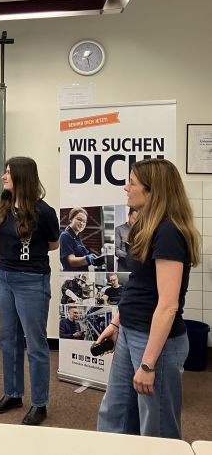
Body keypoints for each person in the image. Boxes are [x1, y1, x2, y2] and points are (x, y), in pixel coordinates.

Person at [96, 159, 199, 439]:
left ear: (153, 190)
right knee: (115, 416)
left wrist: (148, 363)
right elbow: (138, 284)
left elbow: (168, 305)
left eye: (132, 182)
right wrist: (117, 324)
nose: (125, 187)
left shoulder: (169, 233)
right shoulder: (146, 226)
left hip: (155, 343)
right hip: (131, 332)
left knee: (157, 431)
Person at [0, 156, 59, 426]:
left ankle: (39, 403)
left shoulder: (44, 212)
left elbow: (53, 244)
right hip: (3, 277)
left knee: (36, 344)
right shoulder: (4, 206)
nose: (4, 176)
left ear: (22, 177)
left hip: (32, 280)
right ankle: (13, 394)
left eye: (8, 172)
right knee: (8, 339)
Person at [115, 207, 138, 271]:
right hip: (123, 267)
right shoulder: (118, 230)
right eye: (134, 219)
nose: (135, 222)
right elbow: (116, 250)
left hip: (137, 267)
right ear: (129, 215)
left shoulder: (142, 231)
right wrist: (129, 256)